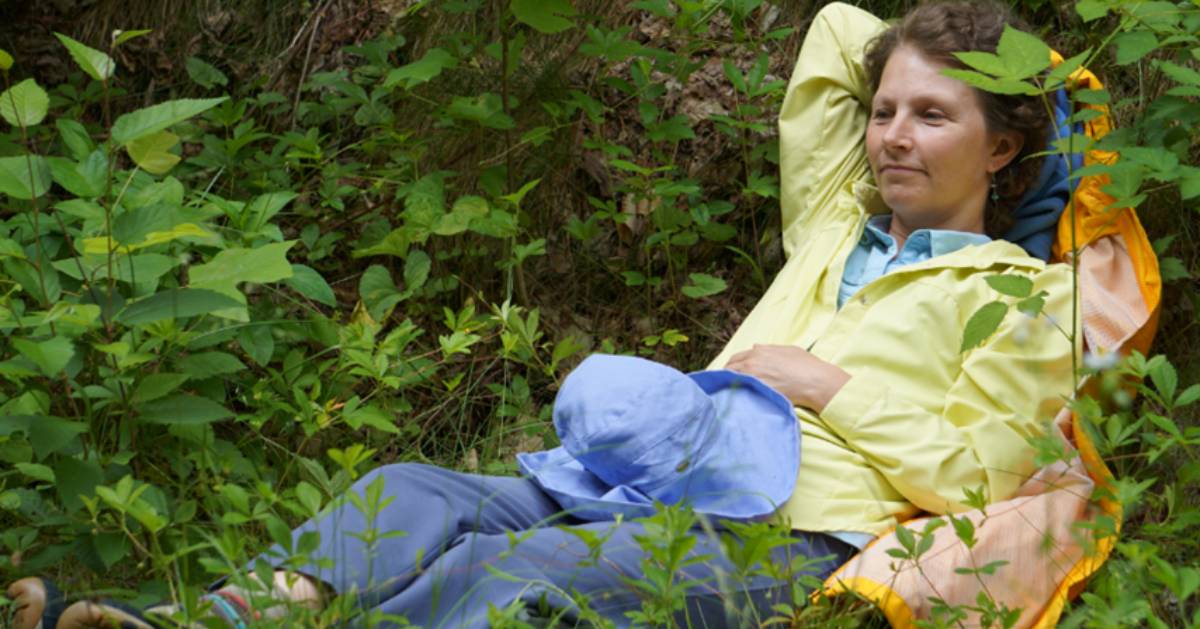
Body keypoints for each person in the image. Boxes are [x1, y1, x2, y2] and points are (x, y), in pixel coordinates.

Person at [8, 1, 1077, 627]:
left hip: (793, 534)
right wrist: (928, 50)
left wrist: (824, 385)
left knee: (512, 574)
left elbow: (983, 476)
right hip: (652, 476)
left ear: (1002, 149)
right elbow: (837, 37)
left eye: (933, 116)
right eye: (884, 110)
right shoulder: (836, 229)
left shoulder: (1019, 292)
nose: (890, 134)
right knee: (410, 489)